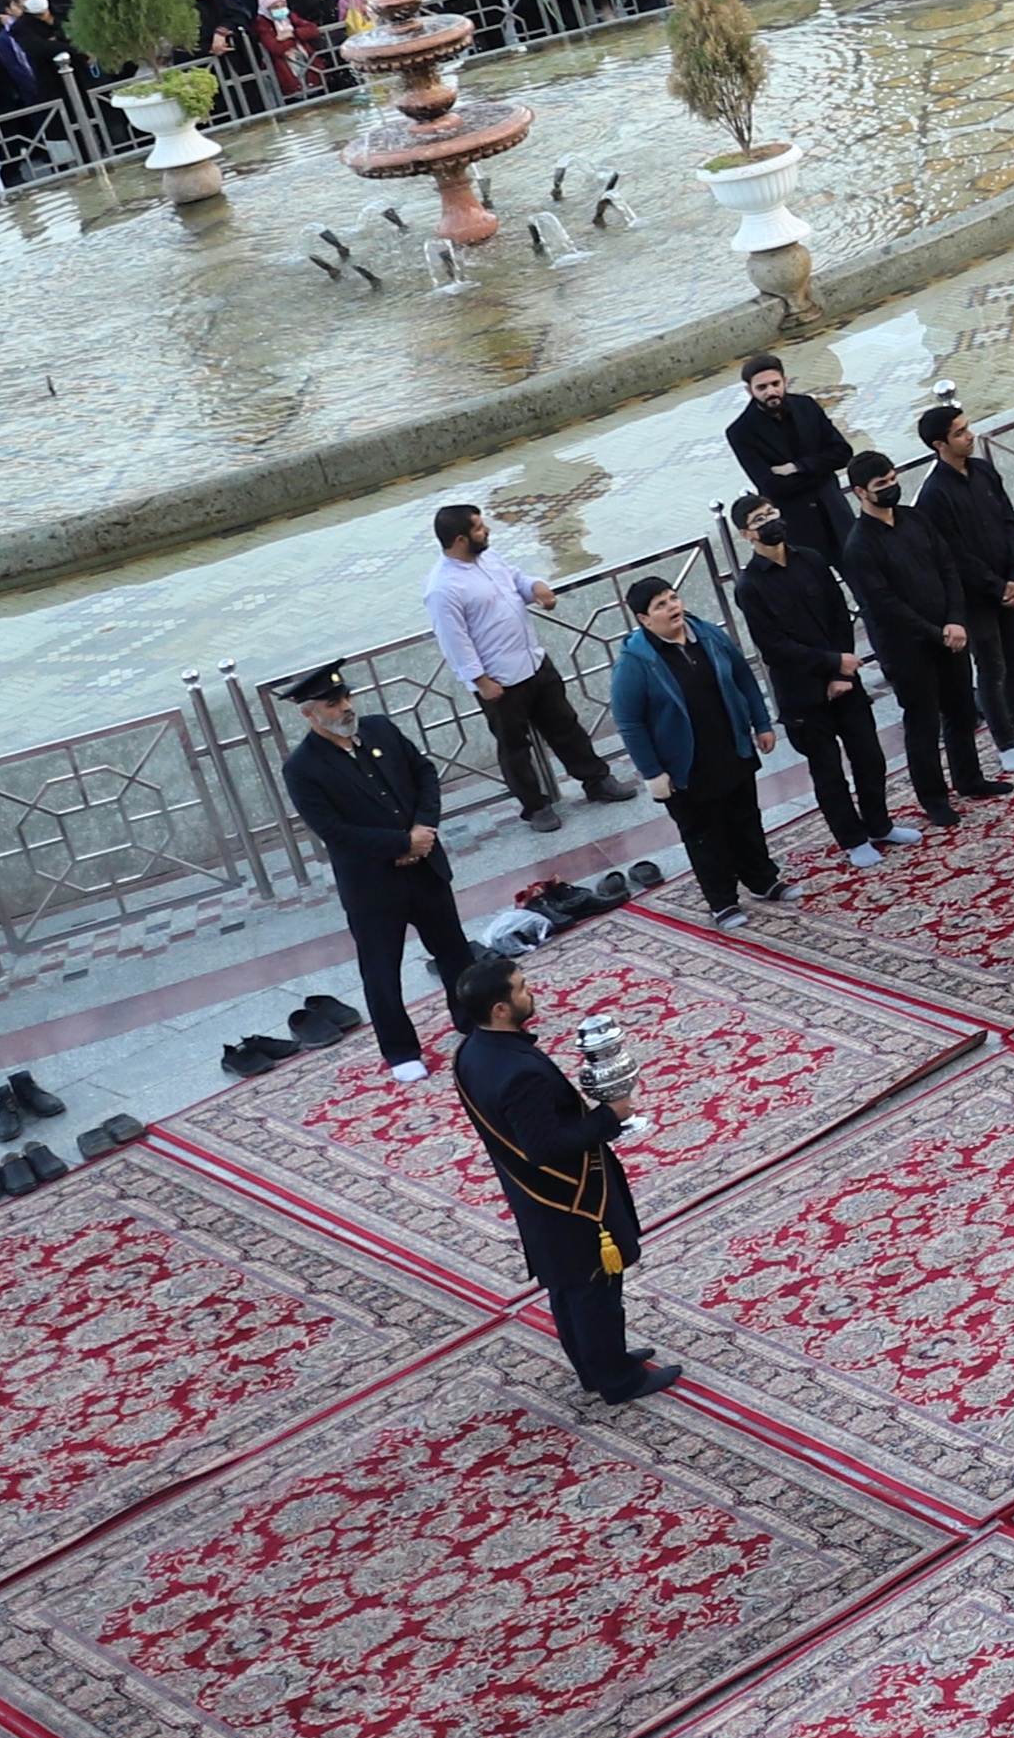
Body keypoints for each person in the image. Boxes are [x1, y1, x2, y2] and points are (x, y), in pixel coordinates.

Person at [455, 954, 674, 1404]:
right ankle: (618, 1380)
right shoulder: (519, 1073)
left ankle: (596, 1364)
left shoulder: (473, 1051)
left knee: (570, 1288)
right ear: (500, 1008)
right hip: (569, 1199)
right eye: (519, 987)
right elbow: (546, 1147)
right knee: (593, 1290)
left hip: (536, 1199)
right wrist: (608, 1117)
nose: (528, 992)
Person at [277, 667, 469, 1077]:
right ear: (309, 715)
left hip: (425, 866)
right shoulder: (302, 768)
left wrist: (423, 830)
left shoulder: (380, 730)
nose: (346, 708)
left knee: (455, 954)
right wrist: (401, 845)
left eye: (346, 698)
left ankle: (474, 1022)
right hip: (374, 886)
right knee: (382, 973)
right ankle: (401, 1053)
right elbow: (333, 831)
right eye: (333, 704)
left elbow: (424, 773)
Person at [420, 507, 628, 826]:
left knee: (566, 726)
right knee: (514, 747)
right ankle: (535, 806)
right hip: (499, 679)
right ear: (460, 539)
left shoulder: (489, 557)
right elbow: (454, 641)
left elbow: (516, 579)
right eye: (478, 528)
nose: (487, 530)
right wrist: (481, 681)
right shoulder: (442, 588)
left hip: (533, 661)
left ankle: (597, 780)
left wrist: (536, 588)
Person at [603, 573, 785, 919]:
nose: (673, 607)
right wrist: (653, 773)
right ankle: (723, 902)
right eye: (661, 605)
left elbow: (743, 676)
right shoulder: (635, 663)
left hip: (731, 747)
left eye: (673, 597)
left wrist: (761, 722)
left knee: (745, 819)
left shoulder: (709, 634)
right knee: (705, 835)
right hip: (684, 765)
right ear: (644, 619)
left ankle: (763, 881)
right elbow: (629, 722)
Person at [729, 504, 894, 867]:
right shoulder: (750, 586)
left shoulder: (812, 559)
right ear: (746, 534)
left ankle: (879, 824)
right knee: (828, 770)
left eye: (772, 513)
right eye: (759, 521)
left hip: (844, 682)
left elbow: (839, 614)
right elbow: (774, 646)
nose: (771, 521)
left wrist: (841, 672)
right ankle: (852, 840)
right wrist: (830, 664)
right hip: (802, 695)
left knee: (869, 755)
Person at [841, 454, 990, 828]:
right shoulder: (859, 547)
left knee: (961, 710)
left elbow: (947, 568)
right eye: (881, 485)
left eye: (892, 479)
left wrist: (955, 619)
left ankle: (969, 778)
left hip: (949, 633)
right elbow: (885, 605)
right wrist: (936, 632)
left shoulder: (915, 518)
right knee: (923, 723)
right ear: (860, 492)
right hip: (907, 648)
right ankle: (934, 798)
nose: (890, 487)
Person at [910, 409, 1014, 718]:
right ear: (940, 444)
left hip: (1008, 583)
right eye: (960, 432)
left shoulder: (984, 471)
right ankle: (1005, 741)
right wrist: (996, 585)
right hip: (976, 596)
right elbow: (954, 554)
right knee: (992, 666)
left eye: (968, 428)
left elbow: (1009, 521)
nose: (970, 436)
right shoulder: (934, 494)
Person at [723, 350, 848, 562]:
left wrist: (797, 468)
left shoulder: (806, 406)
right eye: (762, 387)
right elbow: (771, 486)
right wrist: (821, 469)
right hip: (798, 528)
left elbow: (842, 453)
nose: (770, 391)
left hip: (836, 513)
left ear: (785, 381)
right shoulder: (740, 432)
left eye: (775, 384)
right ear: (749, 390)